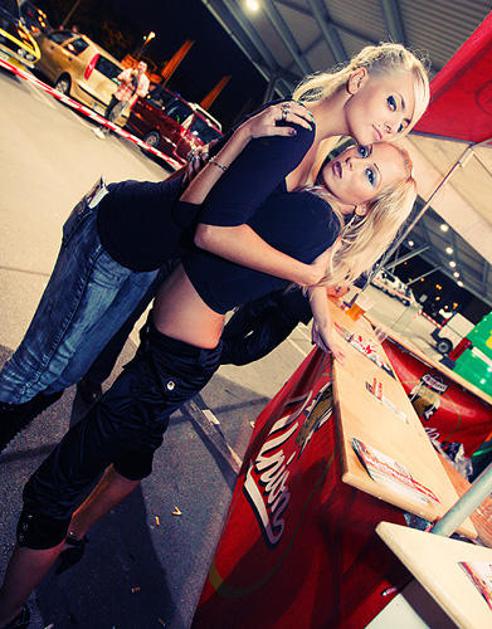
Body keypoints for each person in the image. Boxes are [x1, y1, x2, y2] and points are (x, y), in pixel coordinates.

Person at [0, 132, 419, 626]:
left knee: (55, 487)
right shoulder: (322, 214)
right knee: (135, 452)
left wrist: (235, 153)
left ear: (367, 207)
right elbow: (312, 267)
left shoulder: (313, 215)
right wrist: (320, 303)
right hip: (179, 356)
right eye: (363, 151)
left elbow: (215, 228)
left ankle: (9, 611)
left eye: (369, 173)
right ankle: (76, 533)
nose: (353, 159)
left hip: (172, 363)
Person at [0, 42, 429, 455]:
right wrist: (303, 274)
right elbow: (212, 230)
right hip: (120, 236)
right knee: (41, 369)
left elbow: (313, 256)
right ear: (359, 79)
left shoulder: (318, 153)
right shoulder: (294, 131)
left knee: (65, 372)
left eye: (405, 122)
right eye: (393, 103)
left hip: (149, 255)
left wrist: (323, 316)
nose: (394, 125)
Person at [92, 61, 150, 139]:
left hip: (126, 99)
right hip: (118, 94)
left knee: (114, 113)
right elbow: (119, 77)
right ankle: (101, 127)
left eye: (143, 67)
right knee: (108, 110)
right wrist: (125, 79)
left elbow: (143, 93)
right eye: (140, 65)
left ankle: (105, 131)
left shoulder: (145, 80)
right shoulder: (130, 71)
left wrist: (134, 89)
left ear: (145, 69)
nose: (140, 68)